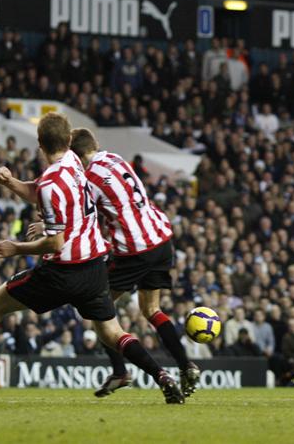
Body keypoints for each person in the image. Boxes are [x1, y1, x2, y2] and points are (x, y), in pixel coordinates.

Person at [0, 113, 184, 404]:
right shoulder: (73, 162)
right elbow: (44, 192)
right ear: (69, 141)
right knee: (111, 331)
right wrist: (11, 183)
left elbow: (56, 241)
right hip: (94, 267)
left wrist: (15, 248)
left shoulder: (50, 183)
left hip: (62, 273)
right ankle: (162, 376)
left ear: (39, 145)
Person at [64, 127, 199, 398]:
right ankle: (186, 366)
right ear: (96, 144)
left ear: (74, 156)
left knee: (96, 307)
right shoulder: (115, 158)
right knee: (152, 309)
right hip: (160, 238)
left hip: (134, 249)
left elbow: (81, 216)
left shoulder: (89, 178)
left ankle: (120, 372)